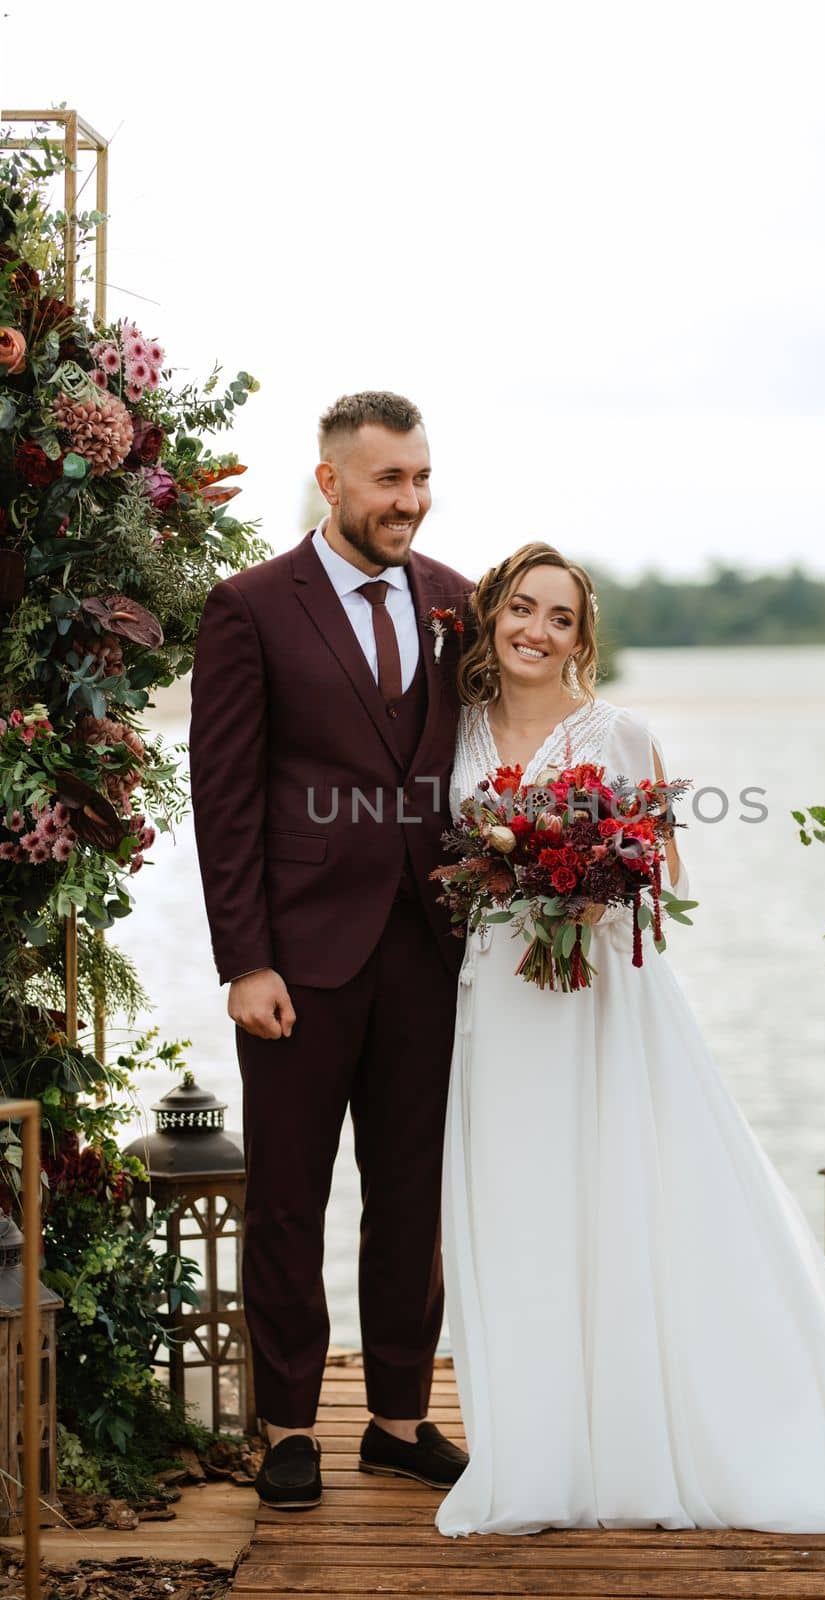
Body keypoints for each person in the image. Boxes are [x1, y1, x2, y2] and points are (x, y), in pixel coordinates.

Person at [434, 540, 825, 1553]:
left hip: (599, 999)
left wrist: (586, 881)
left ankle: (646, 1441)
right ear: (492, 615)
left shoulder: (621, 732)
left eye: (560, 617)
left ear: (582, 638)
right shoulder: (458, 727)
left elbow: (665, 875)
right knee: (518, 1207)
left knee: (620, 1195)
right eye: (522, 608)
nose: (536, 631)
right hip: (494, 1001)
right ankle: (538, 1450)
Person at [189, 391, 470, 1508]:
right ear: (331, 481)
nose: (411, 498)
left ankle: (399, 1419)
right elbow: (225, 795)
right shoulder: (252, 607)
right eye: (389, 479)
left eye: (421, 476)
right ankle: (289, 1425)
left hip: (433, 950)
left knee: (413, 1192)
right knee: (291, 1197)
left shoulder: (459, 600)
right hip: (299, 958)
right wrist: (242, 958)